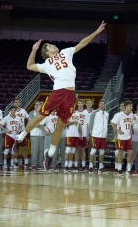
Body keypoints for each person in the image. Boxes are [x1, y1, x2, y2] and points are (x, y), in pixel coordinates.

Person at [16, 21, 106, 170]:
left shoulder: (65, 52)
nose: (53, 45)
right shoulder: (46, 63)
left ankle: (50, 154)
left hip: (71, 94)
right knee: (40, 116)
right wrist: (33, 50)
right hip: (58, 92)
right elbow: (29, 66)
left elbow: (82, 44)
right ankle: (20, 137)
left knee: (61, 125)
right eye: (50, 45)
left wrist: (96, 33)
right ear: (48, 52)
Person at [110, 100, 134, 176]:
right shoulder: (119, 115)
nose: (131, 107)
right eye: (130, 106)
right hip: (121, 137)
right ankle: (119, 169)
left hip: (128, 137)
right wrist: (117, 131)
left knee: (130, 152)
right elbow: (112, 123)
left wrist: (131, 129)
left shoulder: (131, 115)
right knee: (120, 153)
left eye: (132, 106)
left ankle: (128, 169)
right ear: (126, 106)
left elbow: (132, 123)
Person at [89, 99, 109, 174]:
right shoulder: (94, 113)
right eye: (101, 104)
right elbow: (91, 124)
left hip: (103, 136)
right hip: (96, 135)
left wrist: (105, 135)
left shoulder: (107, 113)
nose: (102, 105)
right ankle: (91, 166)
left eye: (103, 104)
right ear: (98, 105)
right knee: (93, 150)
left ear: (105, 105)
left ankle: (101, 166)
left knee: (102, 151)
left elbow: (106, 125)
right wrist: (91, 133)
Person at [13, 98, 30, 170]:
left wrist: (27, 128)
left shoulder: (23, 111)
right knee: (15, 148)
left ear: (20, 103)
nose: (17, 103)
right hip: (14, 132)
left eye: (18, 102)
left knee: (24, 147)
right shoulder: (12, 111)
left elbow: (29, 119)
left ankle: (26, 162)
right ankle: (15, 161)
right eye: (15, 102)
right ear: (13, 104)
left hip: (22, 132)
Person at [29, 101, 45, 170]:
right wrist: (40, 124)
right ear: (34, 106)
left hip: (42, 134)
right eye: (37, 105)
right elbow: (33, 123)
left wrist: (39, 124)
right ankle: (33, 164)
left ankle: (40, 164)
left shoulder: (44, 113)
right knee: (34, 150)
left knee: (41, 150)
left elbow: (44, 123)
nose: (38, 106)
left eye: (39, 105)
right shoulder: (31, 113)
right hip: (34, 134)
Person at [110, 101, 125, 174]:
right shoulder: (117, 114)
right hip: (118, 136)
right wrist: (115, 135)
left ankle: (119, 167)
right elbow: (113, 125)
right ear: (119, 107)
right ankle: (116, 168)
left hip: (126, 137)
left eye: (123, 105)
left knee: (123, 153)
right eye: (121, 105)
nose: (122, 107)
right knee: (118, 152)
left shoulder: (127, 115)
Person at [75, 99, 90, 171]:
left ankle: (83, 165)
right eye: (79, 103)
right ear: (77, 104)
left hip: (84, 134)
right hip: (76, 134)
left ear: (83, 104)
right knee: (77, 149)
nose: (80, 104)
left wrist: (87, 134)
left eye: (81, 103)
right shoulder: (75, 113)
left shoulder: (86, 112)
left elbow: (88, 124)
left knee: (83, 149)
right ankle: (77, 164)